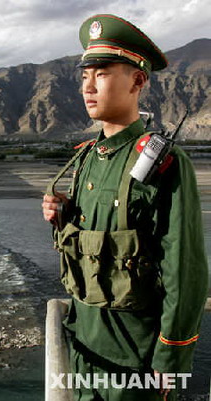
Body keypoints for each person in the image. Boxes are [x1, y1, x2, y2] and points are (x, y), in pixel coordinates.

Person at [42, 14, 209, 400]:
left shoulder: (165, 163)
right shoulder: (86, 158)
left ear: (137, 80)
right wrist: (61, 215)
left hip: (134, 362)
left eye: (101, 73)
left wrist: (170, 361)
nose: (88, 86)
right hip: (84, 348)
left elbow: (186, 271)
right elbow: (91, 241)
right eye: (84, 76)